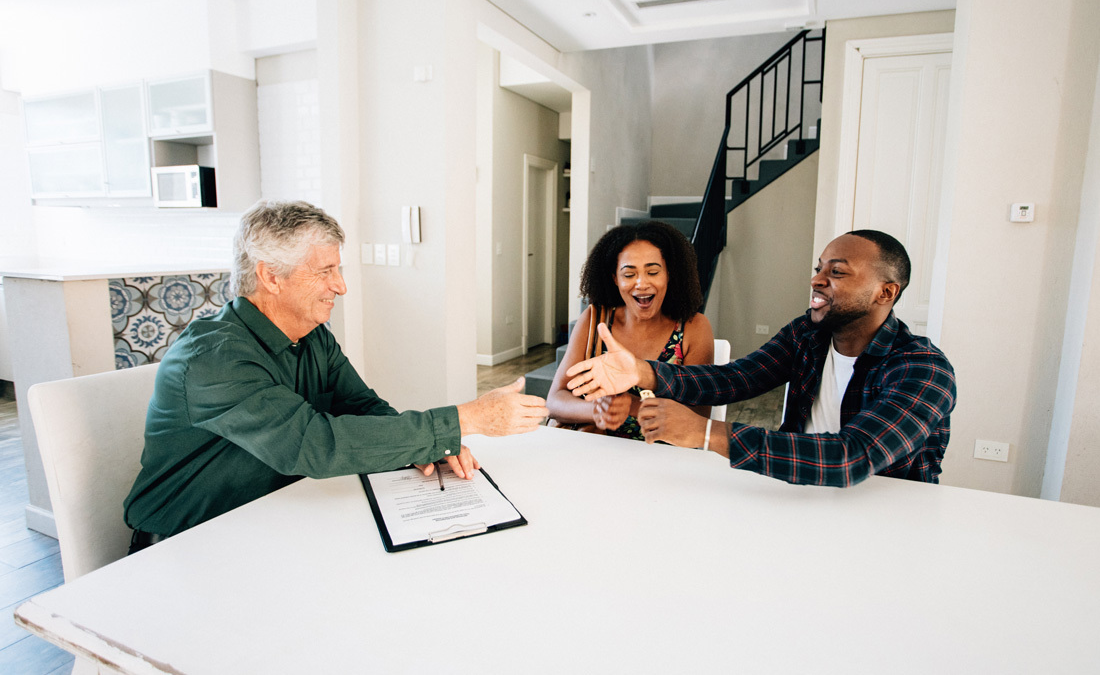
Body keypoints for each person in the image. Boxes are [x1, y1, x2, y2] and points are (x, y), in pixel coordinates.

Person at [124, 200, 547, 547]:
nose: (341, 286)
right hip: (186, 541)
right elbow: (316, 445)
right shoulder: (213, 359)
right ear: (271, 276)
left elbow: (363, 408)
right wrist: (466, 419)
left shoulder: (312, 336)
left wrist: (428, 445)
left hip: (273, 517)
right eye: (326, 271)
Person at [565, 229, 955, 486]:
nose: (817, 280)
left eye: (836, 272)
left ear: (885, 293)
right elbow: (733, 379)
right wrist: (642, 370)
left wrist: (705, 434)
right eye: (818, 269)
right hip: (794, 488)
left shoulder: (922, 368)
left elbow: (848, 457)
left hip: (889, 513)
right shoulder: (808, 335)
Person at [546, 221, 713, 439]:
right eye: (629, 274)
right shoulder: (595, 319)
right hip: (598, 452)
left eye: (653, 271)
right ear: (615, 279)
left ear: (669, 275)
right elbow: (555, 399)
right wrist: (598, 410)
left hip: (662, 456)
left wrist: (632, 406)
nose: (641, 283)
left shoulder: (694, 328)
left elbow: (698, 419)